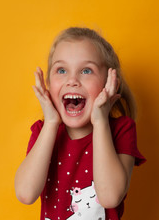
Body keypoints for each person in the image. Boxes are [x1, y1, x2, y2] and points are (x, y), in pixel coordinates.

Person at [15, 27, 146, 220]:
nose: (72, 80)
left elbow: (110, 197)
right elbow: (25, 194)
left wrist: (100, 121)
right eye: (61, 70)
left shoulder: (121, 130)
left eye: (86, 70)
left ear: (110, 83)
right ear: (49, 84)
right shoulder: (43, 131)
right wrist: (51, 122)